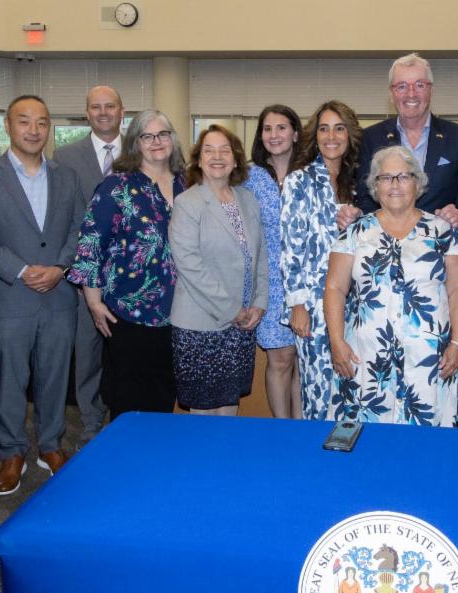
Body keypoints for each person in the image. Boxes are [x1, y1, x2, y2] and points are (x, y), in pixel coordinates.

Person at [0, 95, 86, 496]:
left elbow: (79, 230)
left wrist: (61, 267)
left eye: (42, 123)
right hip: (8, 297)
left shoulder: (66, 176)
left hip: (59, 295)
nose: (34, 130)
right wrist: (23, 270)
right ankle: (12, 452)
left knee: (53, 377)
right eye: (25, 122)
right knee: (11, 381)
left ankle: (50, 446)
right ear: (9, 126)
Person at [324, 146, 458, 426]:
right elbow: (334, 288)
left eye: (403, 177)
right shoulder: (355, 232)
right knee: (367, 445)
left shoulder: (442, 231)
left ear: (418, 183)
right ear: (374, 187)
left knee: (427, 447)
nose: (394, 185)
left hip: (430, 359)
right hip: (366, 358)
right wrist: (336, 342)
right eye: (385, 178)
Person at [68, 109, 184, 418]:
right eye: (148, 135)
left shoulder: (189, 184)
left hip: (183, 310)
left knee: (166, 394)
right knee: (130, 398)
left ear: (173, 139)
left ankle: (158, 460)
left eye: (163, 134)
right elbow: (91, 242)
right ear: (135, 143)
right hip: (130, 310)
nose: (157, 141)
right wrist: (93, 300)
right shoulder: (116, 186)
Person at [169, 125, 268, 416]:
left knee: (229, 405)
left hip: (242, 324)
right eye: (209, 150)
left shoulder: (247, 199)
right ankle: (203, 463)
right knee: (204, 413)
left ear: (236, 159)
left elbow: (259, 256)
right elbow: (189, 263)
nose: (217, 156)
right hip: (201, 323)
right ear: (198, 160)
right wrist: (232, 309)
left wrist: (259, 305)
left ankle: (224, 461)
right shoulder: (187, 203)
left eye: (225, 150)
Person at [280, 101, 363, 420]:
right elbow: (290, 246)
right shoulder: (298, 180)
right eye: (324, 128)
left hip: (358, 304)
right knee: (318, 391)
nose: (331, 136)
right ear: (314, 136)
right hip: (313, 303)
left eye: (339, 128)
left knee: (353, 386)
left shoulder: (362, 183)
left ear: (350, 135)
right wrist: (297, 304)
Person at [345, 53, 458, 236]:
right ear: (391, 93)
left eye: (419, 85)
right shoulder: (370, 137)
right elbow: (365, 199)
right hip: (384, 249)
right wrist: (359, 217)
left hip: (438, 250)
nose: (411, 94)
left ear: (430, 89)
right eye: (401, 86)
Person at [53, 85, 123, 442]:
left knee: (127, 350)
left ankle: (128, 419)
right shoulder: (64, 156)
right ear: (87, 113)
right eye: (96, 107)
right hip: (86, 271)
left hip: (132, 272)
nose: (103, 112)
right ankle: (92, 422)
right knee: (88, 350)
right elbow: (61, 215)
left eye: (109, 106)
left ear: (121, 111)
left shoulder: (141, 149)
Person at [244, 104, 303, 419]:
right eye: (268, 129)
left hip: (306, 283)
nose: (274, 135)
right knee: (280, 360)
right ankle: (282, 429)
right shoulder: (248, 176)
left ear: (295, 133)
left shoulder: (311, 173)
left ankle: (302, 429)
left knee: (303, 362)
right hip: (268, 283)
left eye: (281, 128)